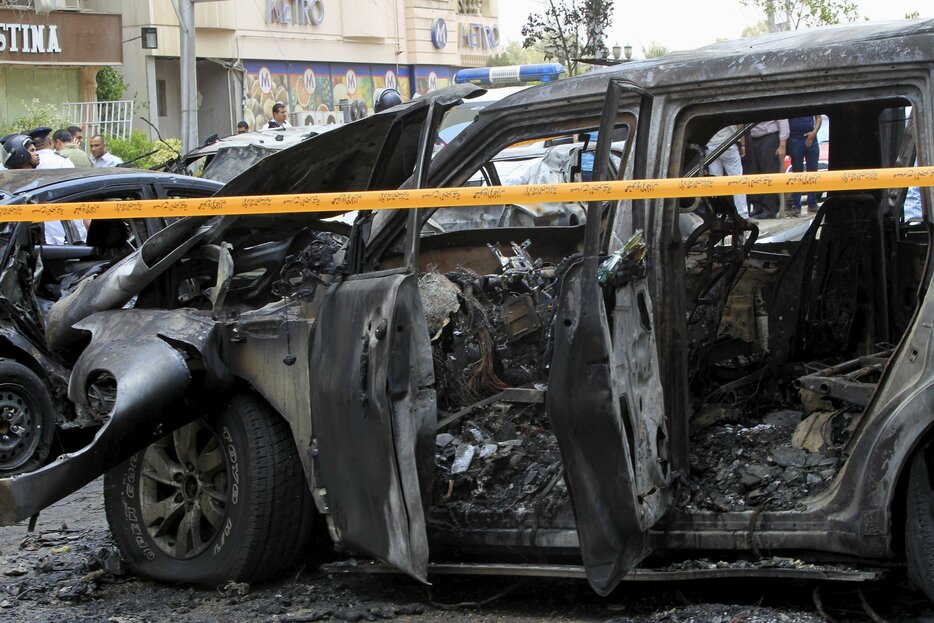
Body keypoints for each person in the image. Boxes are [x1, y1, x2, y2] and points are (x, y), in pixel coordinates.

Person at [744, 119, 789, 219]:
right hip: (752, 138)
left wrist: (782, 145)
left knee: (769, 174)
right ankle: (757, 207)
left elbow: (783, 121)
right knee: (754, 174)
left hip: (769, 137)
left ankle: (769, 209)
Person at [705, 125, 749, 219]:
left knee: (715, 184)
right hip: (729, 143)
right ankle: (743, 214)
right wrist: (743, 144)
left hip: (711, 145)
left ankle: (719, 215)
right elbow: (740, 125)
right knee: (737, 181)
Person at [787, 115, 822, 215]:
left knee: (812, 173)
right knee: (797, 174)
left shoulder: (809, 102)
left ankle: (812, 203)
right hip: (795, 139)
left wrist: (814, 132)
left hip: (812, 137)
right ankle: (796, 205)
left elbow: (818, 118)